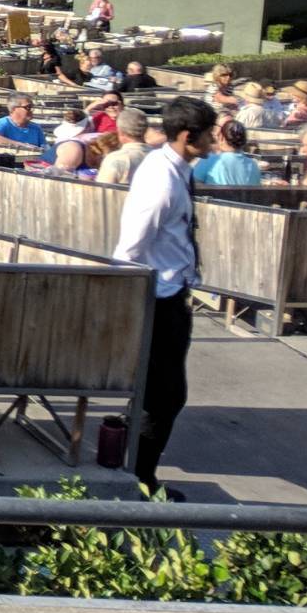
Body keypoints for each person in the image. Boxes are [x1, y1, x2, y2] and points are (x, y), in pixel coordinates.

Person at [112, 98, 218, 494]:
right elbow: (131, 247)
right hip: (158, 297)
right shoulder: (161, 180)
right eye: (208, 134)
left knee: (160, 393)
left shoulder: (174, 169)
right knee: (164, 396)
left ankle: (137, 473)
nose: (213, 140)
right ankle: (139, 481)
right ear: (189, 136)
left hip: (172, 291)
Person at [193, 120, 264, 188]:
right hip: (245, 200)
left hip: (217, 200)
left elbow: (193, 184)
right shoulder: (253, 165)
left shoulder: (209, 160)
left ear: (221, 138)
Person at [97, 108, 152, 187]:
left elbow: (102, 192)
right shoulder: (160, 156)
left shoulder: (114, 159)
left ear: (120, 132)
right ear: (146, 129)